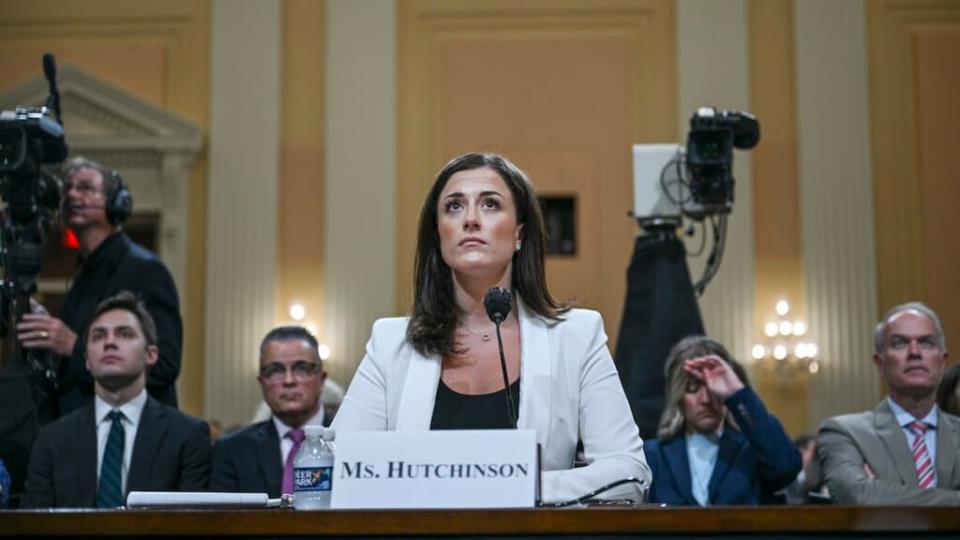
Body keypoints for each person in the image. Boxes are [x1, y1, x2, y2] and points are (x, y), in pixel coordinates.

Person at [332, 152, 649, 504]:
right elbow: (337, 466)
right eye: (453, 207)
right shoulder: (391, 343)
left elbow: (629, 472)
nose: (470, 219)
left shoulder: (576, 337)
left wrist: (518, 484)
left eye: (490, 205)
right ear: (438, 235)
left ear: (519, 234)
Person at [16, 156, 182, 417]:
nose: (72, 195)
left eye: (85, 188)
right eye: (68, 188)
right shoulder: (84, 274)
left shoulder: (145, 269)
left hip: (136, 438)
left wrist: (74, 346)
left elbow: (166, 363)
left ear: (116, 204)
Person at [23, 291, 210, 508]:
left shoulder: (187, 437)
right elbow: (34, 525)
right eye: (98, 336)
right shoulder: (51, 440)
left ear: (151, 354)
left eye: (125, 334)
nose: (109, 342)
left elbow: (193, 526)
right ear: (86, 360)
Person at [817, 302, 960, 505]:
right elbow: (857, 495)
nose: (914, 352)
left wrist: (884, 491)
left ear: (942, 361)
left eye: (926, 342)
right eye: (900, 343)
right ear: (880, 363)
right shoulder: (845, 433)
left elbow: (874, 497)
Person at [644, 336, 800, 506]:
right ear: (678, 396)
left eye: (714, 389)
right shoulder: (654, 456)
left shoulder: (752, 452)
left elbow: (787, 467)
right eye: (692, 388)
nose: (706, 399)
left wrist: (737, 393)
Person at [209, 326, 329, 497]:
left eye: (301, 368)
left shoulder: (350, 441)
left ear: (322, 378)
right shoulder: (232, 450)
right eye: (275, 371)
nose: (289, 380)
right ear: (262, 382)